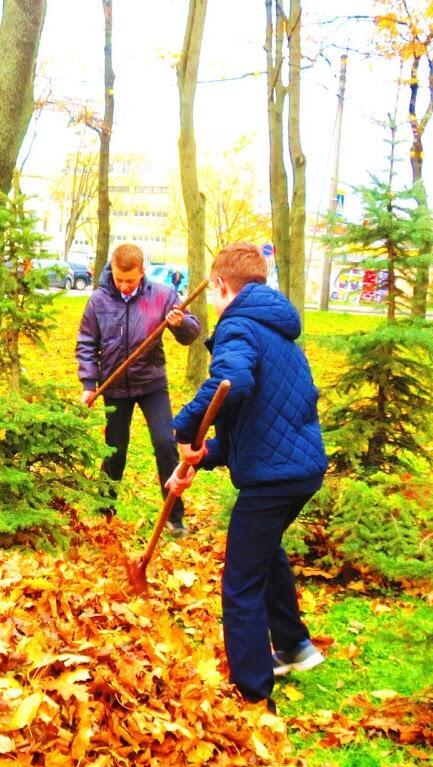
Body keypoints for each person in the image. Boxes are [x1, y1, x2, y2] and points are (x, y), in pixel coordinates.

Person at [168, 241, 328, 709]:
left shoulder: (238, 326)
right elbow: (261, 418)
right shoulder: (276, 328)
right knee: (265, 550)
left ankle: (253, 694)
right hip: (299, 471)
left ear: (220, 286)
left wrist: (184, 426)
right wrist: (206, 454)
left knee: (240, 581)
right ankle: (295, 644)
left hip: (274, 479)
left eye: (214, 294)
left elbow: (231, 384)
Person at [76, 243, 203, 536]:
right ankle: (103, 512)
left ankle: (174, 518)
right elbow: (86, 343)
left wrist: (180, 323)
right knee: (115, 450)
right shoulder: (99, 300)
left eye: (129, 280)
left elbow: (192, 332)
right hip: (115, 386)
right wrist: (88, 384)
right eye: (119, 279)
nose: (123, 285)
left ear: (142, 272)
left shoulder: (161, 295)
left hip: (151, 383)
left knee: (164, 444)